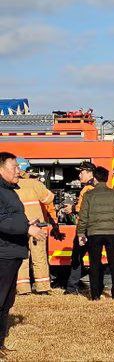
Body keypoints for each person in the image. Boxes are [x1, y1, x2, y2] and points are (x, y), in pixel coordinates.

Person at [0, 152, 47, 356]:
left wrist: (27, 223)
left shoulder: (10, 190)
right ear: (1, 169)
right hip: (3, 253)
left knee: (7, 302)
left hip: (12, 251)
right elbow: (2, 220)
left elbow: (11, 217)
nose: (19, 171)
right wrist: (27, 229)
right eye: (15, 167)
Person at [76, 166, 114, 300]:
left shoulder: (89, 195)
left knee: (95, 264)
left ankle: (95, 295)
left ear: (94, 178)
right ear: (106, 179)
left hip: (94, 234)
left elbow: (83, 217)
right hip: (111, 233)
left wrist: (81, 234)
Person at [15, 158, 58, 295]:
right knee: (39, 257)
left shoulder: (10, 185)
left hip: (19, 226)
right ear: (26, 170)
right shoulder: (34, 183)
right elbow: (48, 198)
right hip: (37, 227)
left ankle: (22, 289)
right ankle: (43, 287)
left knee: (22, 258)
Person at [65, 161, 96, 295]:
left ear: (89, 173)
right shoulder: (99, 187)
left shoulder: (87, 189)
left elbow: (81, 209)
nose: (79, 175)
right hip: (96, 229)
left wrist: (70, 208)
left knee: (77, 258)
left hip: (84, 229)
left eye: (81, 172)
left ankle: (71, 288)